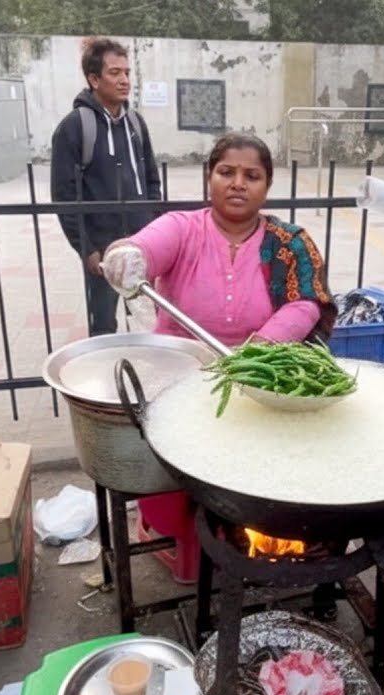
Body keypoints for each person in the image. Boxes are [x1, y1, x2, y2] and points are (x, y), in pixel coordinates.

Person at [100, 133, 336, 543]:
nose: (238, 183)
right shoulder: (182, 227)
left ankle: (253, 529)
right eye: (226, 172)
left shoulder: (289, 243)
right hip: (180, 379)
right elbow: (144, 247)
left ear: (267, 186)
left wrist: (253, 354)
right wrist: (126, 255)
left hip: (256, 383)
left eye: (252, 175)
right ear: (209, 178)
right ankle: (187, 533)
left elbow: (306, 304)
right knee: (185, 474)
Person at [51, 37, 162, 337]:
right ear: (94, 79)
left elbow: (152, 179)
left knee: (144, 319)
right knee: (103, 325)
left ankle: (142, 377)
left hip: (141, 244)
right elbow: (64, 196)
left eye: (127, 72)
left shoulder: (136, 123)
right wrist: (86, 248)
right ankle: (103, 380)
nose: (124, 80)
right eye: (114, 73)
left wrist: (153, 231)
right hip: (101, 250)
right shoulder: (74, 127)